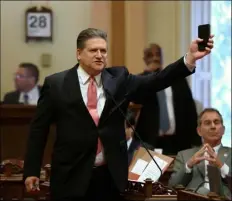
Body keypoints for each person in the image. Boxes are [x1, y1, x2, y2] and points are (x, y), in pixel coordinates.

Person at [23, 28, 214, 201]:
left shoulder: (119, 79)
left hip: (109, 178)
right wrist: (31, 171)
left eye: (103, 51)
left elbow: (156, 81)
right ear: (79, 53)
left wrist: (189, 58)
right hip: (70, 177)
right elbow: (38, 130)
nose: (99, 56)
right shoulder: (56, 84)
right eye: (93, 50)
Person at [135, 43, 201, 155]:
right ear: (144, 59)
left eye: (158, 54)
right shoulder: (140, 81)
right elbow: (136, 101)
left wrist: (196, 140)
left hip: (178, 141)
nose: (155, 58)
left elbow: (190, 110)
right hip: (150, 142)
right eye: (150, 55)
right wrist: (148, 73)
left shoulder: (177, 80)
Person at [168, 108, 231, 197]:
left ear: (223, 130)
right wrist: (189, 165)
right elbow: (172, 186)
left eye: (216, 122)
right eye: (207, 123)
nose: (213, 126)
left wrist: (221, 165)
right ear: (199, 131)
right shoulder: (184, 155)